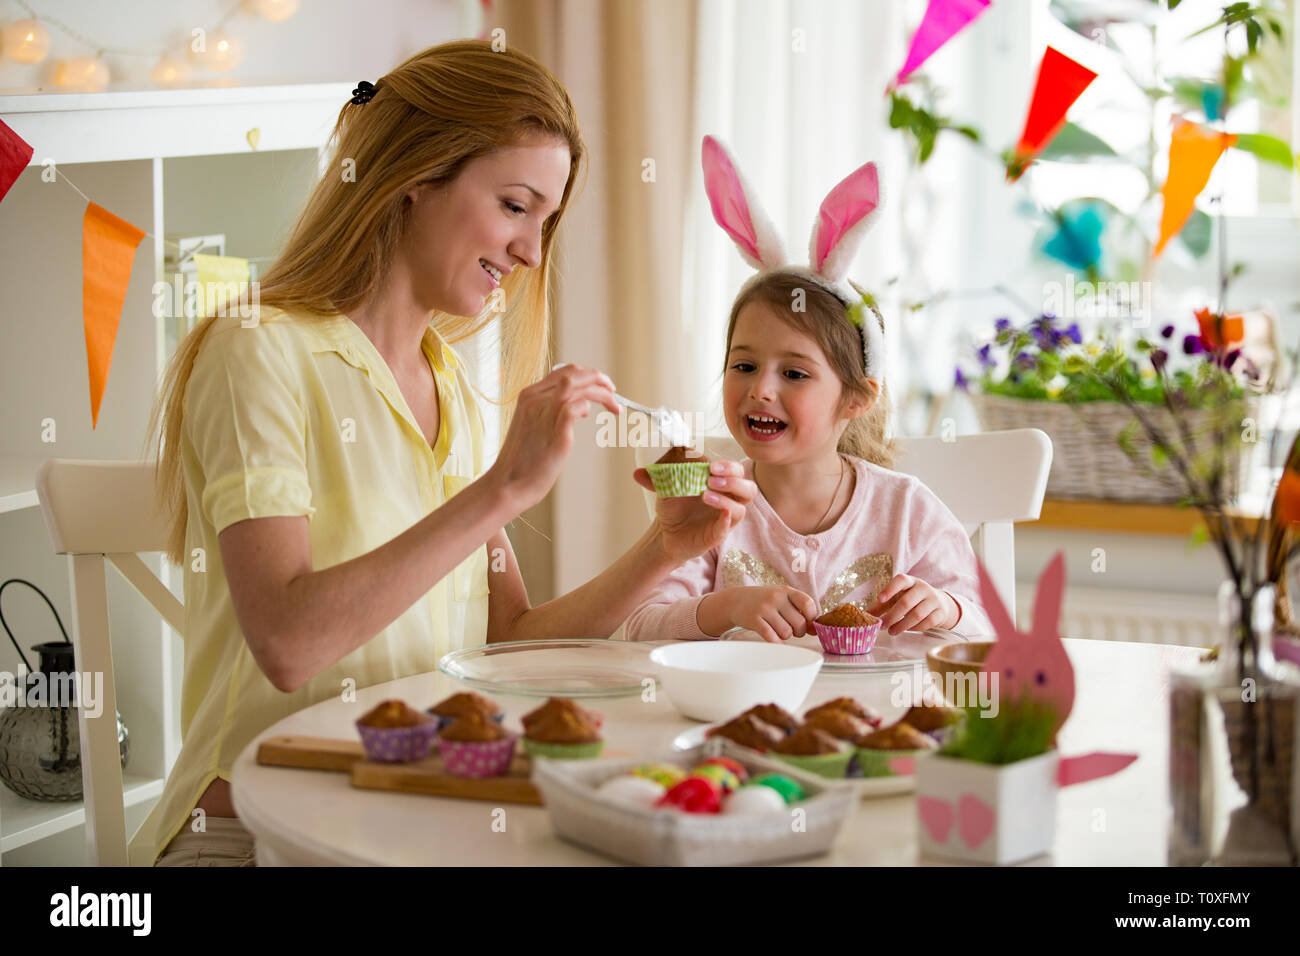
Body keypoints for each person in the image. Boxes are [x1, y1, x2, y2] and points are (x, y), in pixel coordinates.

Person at [132, 42, 755, 867]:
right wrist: (501, 489)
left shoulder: (450, 384)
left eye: (547, 219)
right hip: (251, 831)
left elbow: (510, 644)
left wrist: (663, 549)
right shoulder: (259, 350)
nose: (534, 251)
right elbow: (286, 642)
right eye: (514, 205)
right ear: (414, 178)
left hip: (409, 820)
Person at [624, 137, 990, 645]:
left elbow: (989, 633)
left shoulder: (906, 510)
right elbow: (640, 630)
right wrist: (722, 607)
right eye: (744, 365)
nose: (761, 389)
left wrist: (946, 609)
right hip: (745, 720)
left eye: (794, 374)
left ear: (857, 398)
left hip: (875, 722)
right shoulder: (712, 508)